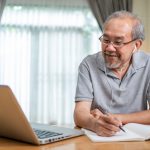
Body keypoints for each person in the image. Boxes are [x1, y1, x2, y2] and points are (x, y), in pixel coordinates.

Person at [74, 10, 150, 137]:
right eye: (106, 39)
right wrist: (95, 124)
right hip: (98, 139)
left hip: (136, 139)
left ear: (136, 45)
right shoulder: (88, 64)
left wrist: (113, 117)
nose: (109, 48)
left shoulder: (148, 64)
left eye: (118, 42)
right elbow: (80, 113)